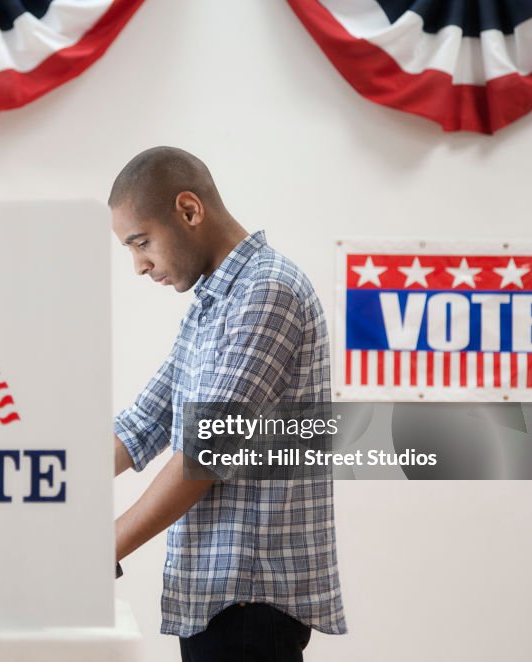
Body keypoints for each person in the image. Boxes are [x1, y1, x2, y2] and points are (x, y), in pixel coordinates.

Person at [109, 146, 347, 661]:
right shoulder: (213, 305)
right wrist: (44, 484)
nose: (139, 265)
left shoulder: (268, 291)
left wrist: (105, 545)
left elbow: (206, 453)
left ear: (189, 211)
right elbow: (143, 422)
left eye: (141, 242)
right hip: (215, 602)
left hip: (248, 605)